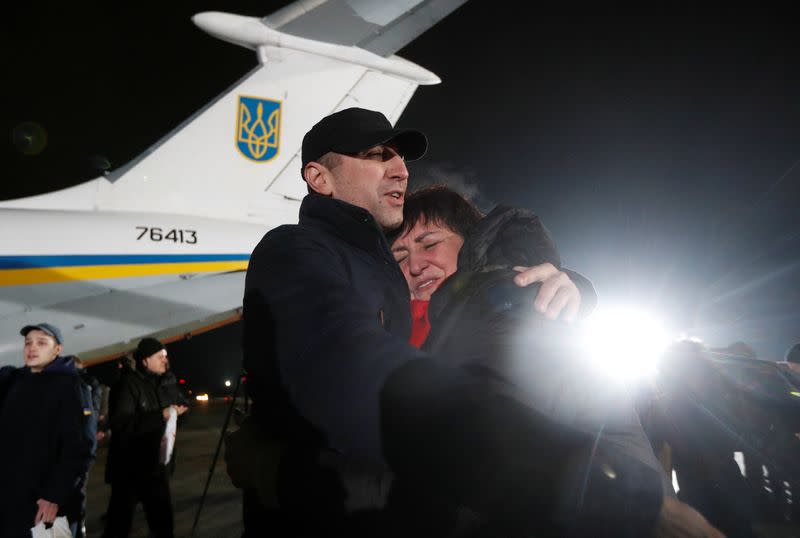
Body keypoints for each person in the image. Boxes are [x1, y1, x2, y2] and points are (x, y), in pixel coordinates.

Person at [236, 107, 591, 536]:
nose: (401, 170)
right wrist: (568, 477)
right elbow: (360, 379)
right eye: (376, 155)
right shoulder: (297, 251)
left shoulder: (410, 290)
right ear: (319, 178)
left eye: (400, 158)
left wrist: (571, 288)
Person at [383, 185, 724, 537]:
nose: (415, 264)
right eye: (399, 256)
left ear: (471, 240)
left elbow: (515, 437)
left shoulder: (520, 302)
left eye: (429, 244)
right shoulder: (405, 333)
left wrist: (642, 509)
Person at [0, 323, 95, 538]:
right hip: (10, 494)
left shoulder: (69, 386)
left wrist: (54, 495)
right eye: (28, 343)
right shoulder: (16, 381)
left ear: (57, 349)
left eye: (42, 342)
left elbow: (78, 448)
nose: (32, 348)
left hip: (41, 501)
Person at [103, 337, 188, 538]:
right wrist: (162, 415)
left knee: (163, 526)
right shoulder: (127, 385)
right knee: (118, 526)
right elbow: (122, 425)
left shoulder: (166, 383)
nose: (165, 361)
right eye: (160, 357)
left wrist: (181, 412)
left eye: (166, 357)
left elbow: (181, 408)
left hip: (157, 467)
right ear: (145, 361)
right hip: (129, 469)